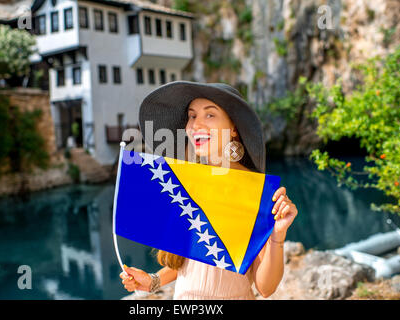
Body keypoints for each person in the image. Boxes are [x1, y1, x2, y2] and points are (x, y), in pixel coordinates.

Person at [119, 81, 298, 299]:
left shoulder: (256, 192)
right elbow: (194, 257)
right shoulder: (183, 183)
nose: (195, 125)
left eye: (210, 115)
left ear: (233, 127)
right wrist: (154, 280)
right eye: (192, 116)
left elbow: (265, 287)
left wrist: (277, 236)